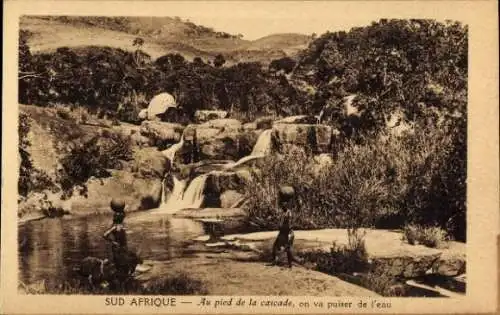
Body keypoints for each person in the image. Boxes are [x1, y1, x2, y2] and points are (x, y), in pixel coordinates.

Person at [102, 199, 131, 289]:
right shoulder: (116, 227)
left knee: (122, 264)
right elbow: (105, 235)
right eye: (121, 218)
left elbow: (105, 235)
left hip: (121, 248)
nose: (123, 218)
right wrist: (113, 242)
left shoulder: (118, 227)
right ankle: (116, 283)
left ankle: (120, 282)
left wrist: (113, 242)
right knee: (119, 264)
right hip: (119, 249)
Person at [271, 186, 297, 268]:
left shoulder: (288, 213)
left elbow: (289, 224)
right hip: (283, 232)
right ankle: (276, 261)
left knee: (288, 249)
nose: (282, 205)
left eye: (284, 204)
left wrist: (283, 227)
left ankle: (290, 264)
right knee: (275, 247)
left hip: (287, 233)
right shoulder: (285, 212)